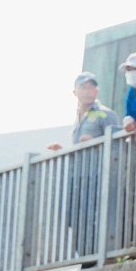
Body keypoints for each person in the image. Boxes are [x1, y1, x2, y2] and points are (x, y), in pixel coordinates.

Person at [49, 72, 115, 259]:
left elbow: (117, 144)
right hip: (77, 175)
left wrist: (96, 141)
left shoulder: (105, 113)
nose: (88, 91)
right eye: (83, 87)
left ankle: (96, 256)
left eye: (91, 87)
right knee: (75, 217)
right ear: (74, 92)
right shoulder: (78, 118)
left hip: (97, 174)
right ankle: (85, 256)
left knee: (94, 216)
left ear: (97, 90)